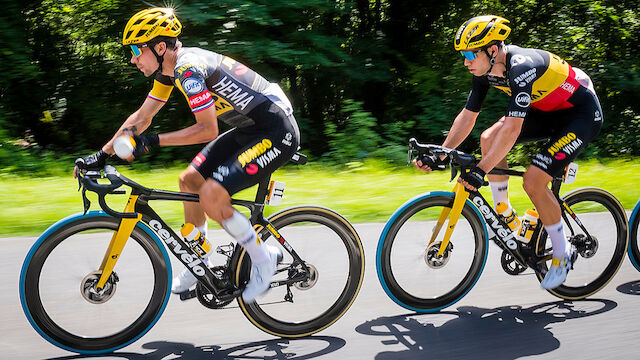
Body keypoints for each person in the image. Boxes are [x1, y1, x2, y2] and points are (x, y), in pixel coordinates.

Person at [74, 7, 300, 302]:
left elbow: (207, 129)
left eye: (135, 50)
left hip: (276, 131)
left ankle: (264, 257)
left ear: (159, 47)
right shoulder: (168, 72)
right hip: (252, 129)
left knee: (212, 194)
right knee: (190, 180)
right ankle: (200, 262)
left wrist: (152, 142)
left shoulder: (187, 68)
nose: (132, 58)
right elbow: (142, 117)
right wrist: (101, 155)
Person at [414, 15, 602, 289]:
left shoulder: (521, 67)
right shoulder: (485, 71)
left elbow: (513, 130)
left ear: (492, 50)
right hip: (546, 112)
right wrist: (441, 153)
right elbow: (468, 117)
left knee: (534, 180)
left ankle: (562, 256)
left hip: (580, 116)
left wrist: (480, 171)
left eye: (469, 54)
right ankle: (505, 213)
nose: (465, 61)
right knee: (488, 138)